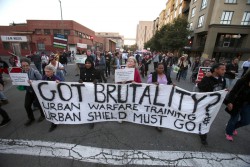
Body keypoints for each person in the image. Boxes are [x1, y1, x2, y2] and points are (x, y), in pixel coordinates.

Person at [197, 63, 226, 145]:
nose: (224, 71)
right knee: (203, 118)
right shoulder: (207, 78)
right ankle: (203, 136)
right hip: (205, 103)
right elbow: (200, 86)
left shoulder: (223, 79)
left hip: (214, 105)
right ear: (216, 69)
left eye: (225, 69)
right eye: (222, 69)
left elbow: (222, 89)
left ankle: (202, 132)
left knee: (207, 119)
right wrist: (206, 77)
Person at [224, 69, 250, 141]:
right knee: (234, 119)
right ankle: (228, 132)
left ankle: (232, 127)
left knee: (246, 121)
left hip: (247, 105)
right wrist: (230, 102)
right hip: (236, 103)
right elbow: (233, 92)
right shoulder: (241, 81)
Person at [147, 62, 172, 132]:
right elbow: (148, 84)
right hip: (154, 95)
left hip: (163, 96)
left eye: (162, 68)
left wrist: (173, 84)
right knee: (154, 108)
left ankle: (158, 123)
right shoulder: (153, 75)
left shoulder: (166, 75)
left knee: (160, 109)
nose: (161, 69)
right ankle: (151, 119)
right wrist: (153, 83)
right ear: (156, 68)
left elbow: (169, 83)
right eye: (159, 68)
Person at [20, 58, 45, 126]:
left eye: (27, 65)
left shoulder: (35, 72)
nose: (25, 67)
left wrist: (32, 82)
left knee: (39, 104)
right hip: (29, 91)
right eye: (23, 66)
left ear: (29, 65)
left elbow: (41, 81)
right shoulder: (21, 72)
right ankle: (31, 118)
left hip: (36, 91)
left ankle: (43, 115)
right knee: (27, 105)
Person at [79, 58, 102, 129]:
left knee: (92, 105)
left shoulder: (96, 71)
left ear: (92, 64)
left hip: (93, 91)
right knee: (85, 104)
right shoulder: (82, 71)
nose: (87, 64)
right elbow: (81, 79)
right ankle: (85, 116)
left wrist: (97, 80)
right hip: (85, 91)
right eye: (86, 63)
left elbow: (100, 80)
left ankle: (92, 119)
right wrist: (80, 80)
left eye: (89, 63)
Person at [42, 64, 62, 132]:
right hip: (48, 97)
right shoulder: (44, 77)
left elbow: (63, 87)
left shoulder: (57, 78)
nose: (46, 73)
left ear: (53, 71)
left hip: (56, 97)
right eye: (45, 71)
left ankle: (57, 121)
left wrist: (59, 83)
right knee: (51, 109)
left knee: (56, 109)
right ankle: (54, 123)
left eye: (48, 71)